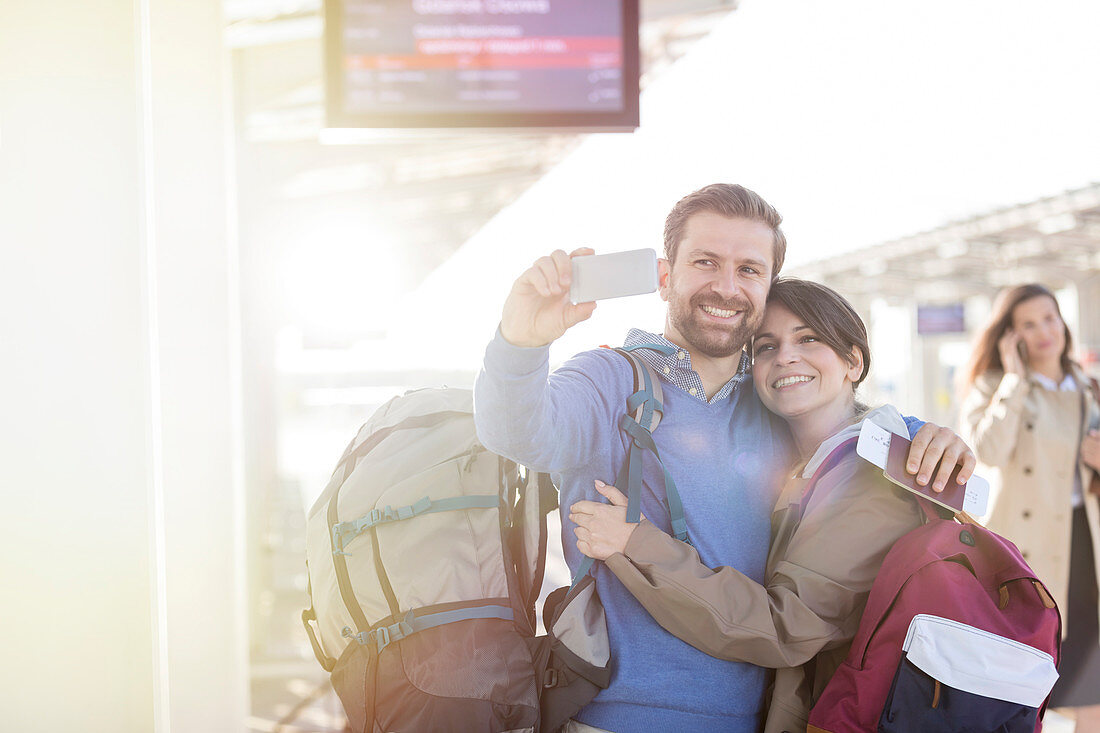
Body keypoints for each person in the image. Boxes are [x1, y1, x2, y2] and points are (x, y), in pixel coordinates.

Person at [474, 183, 975, 733]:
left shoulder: (774, 403)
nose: (726, 286)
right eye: (706, 262)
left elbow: (848, 432)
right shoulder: (609, 380)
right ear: (666, 277)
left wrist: (924, 435)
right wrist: (521, 342)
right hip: (616, 717)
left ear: (766, 289)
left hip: (755, 719)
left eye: (749, 270)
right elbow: (517, 432)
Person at [567, 278, 928, 733]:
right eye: (765, 346)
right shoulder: (805, 460)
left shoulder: (869, 477)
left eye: (809, 338)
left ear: (853, 361)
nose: (786, 357)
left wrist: (635, 544)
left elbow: (787, 629)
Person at [958, 283, 1100, 729]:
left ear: (1063, 322)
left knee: (1091, 686)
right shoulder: (995, 386)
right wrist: (1016, 380)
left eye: (1049, 318)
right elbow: (988, 450)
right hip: (1024, 550)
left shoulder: (1087, 387)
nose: (1044, 332)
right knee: (1018, 688)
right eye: (1028, 324)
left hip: (1085, 548)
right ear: (1011, 336)